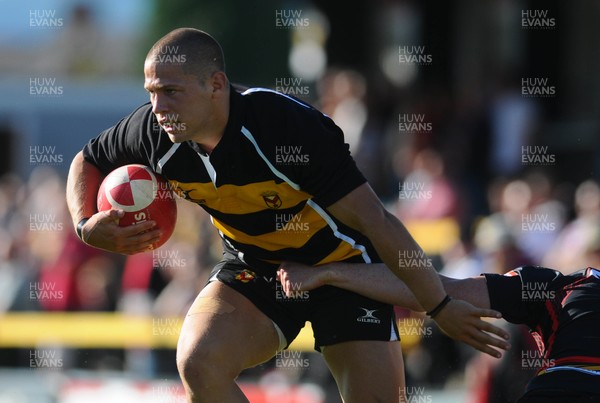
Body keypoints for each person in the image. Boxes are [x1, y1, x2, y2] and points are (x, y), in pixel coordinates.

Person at [65, 27, 509, 402]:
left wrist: (440, 305)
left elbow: (377, 221)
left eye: (171, 92)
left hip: (345, 266)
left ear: (216, 85)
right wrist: (85, 226)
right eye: (151, 92)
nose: (157, 108)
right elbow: (86, 160)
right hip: (257, 268)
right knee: (199, 364)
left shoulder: (285, 129)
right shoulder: (151, 131)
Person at [277, 262, 600, 402]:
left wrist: (332, 273)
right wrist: (332, 273)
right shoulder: (560, 287)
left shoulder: (562, 286)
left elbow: (438, 289)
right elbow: (434, 290)